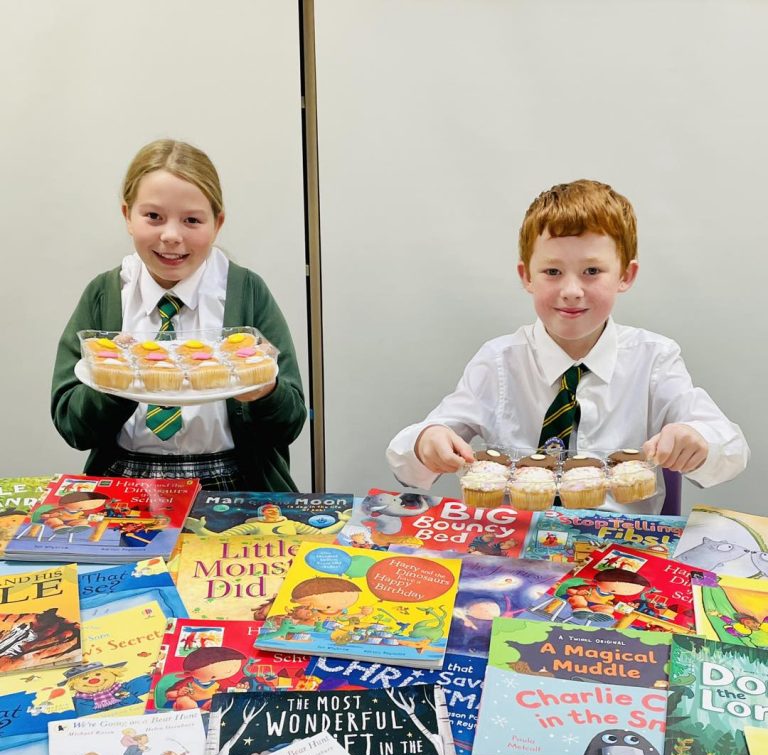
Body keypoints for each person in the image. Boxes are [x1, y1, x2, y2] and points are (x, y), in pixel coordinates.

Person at [386, 179, 749, 513]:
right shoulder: (498, 362)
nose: (572, 291)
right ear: (527, 276)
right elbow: (406, 456)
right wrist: (427, 441)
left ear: (625, 275)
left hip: (621, 544)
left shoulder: (654, 359)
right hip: (512, 544)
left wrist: (698, 440)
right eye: (552, 272)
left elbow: (732, 449)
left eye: (592, 271)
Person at [51, 139, 307, 492]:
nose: (171, 235)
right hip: (124, 480)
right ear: (127, 216)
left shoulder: (246, 291)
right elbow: (72, 426)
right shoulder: (105, 294)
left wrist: (266, 392)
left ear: (217, 223)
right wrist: (116, 383)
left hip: (235, 481)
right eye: (153, 216)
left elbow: (290, 424)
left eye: (192, 220)